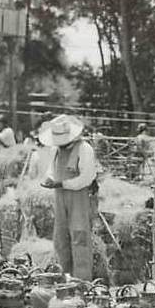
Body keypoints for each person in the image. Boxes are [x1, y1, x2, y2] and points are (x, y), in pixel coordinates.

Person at [39, 114, 100, 281]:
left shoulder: (84, 149)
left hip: (78, 196)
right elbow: (51, 170)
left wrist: (62, 184)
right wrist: (50, 179)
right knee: (60, 238)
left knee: (79, 237)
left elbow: (86, 178)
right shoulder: (56, 150)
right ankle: (64, 279)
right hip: (59, 196)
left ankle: (82, 281)